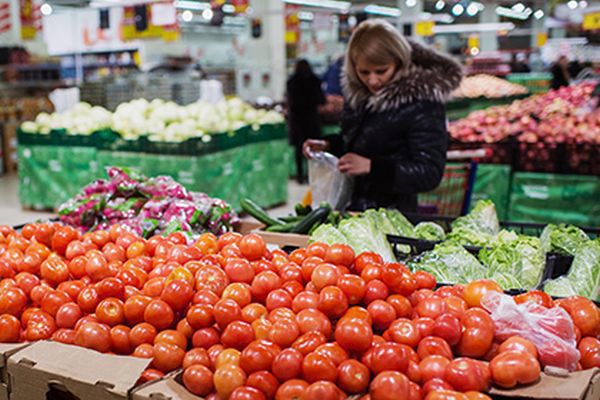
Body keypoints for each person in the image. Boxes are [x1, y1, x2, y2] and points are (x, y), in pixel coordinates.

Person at [303, 19, 463, 212]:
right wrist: (330, 145)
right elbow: (363, 142)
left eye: (381, 71)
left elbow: (429, 173)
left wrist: (373, 167)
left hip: (395, 217)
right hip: (354, 211)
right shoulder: (360, 96)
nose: (373, 80)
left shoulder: (422, 102)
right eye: (364, 72)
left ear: (399, 61)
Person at [287, 59, 326, 184]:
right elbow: (321, 100)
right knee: (313, 149)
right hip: (311, 119)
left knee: (299, 150)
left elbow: (290, 101)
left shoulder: (292, 81)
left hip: (297, 120)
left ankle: (299, 175)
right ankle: (313, 176)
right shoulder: (314, 80)